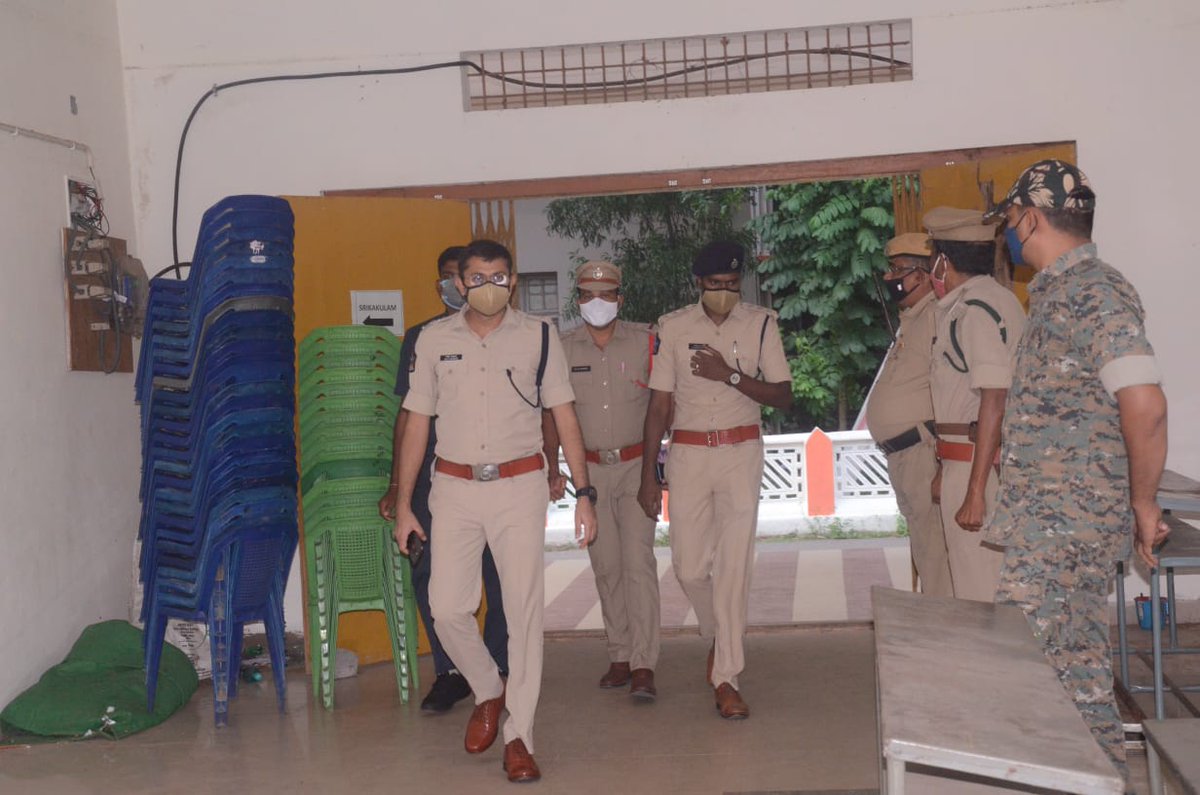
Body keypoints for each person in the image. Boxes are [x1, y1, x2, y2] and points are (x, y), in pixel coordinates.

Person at [986, 160, 1169, 781]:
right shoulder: (1058, 292)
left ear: (1030, 218)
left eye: (1010, 219)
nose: (1008, 233)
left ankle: (1093, 781)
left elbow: (1144, 404)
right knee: (1061, 673)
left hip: (1068, 527)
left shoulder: (1094, 291)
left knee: (1057, 676)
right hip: (1048, 525)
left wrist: (1144, 502)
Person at [392, 239, 597, 784]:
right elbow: (416, 423)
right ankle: (488, 688)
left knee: (524, 613)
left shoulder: (540, 336)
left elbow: (564, 415)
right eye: (477, 279)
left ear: (513, 281)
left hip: (519, 487)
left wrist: (584, 492)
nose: (489, 288)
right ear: (459, 284)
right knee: (446, 608)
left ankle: (519, 736)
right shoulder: (433, 340)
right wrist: (404, 505)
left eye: (499, 278)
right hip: (453, 489)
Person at [636, 240, 791, 720]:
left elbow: (782, 394)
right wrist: (648, 475)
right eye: (714, 283)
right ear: (698, 283)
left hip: (740, 453)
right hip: (688, 455)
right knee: (687, 567)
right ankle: (722, 635)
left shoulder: (761, 323)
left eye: (731, 283)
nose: (724, 291)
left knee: (733, 568)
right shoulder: (673, 327)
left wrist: (730, 375)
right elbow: (659, 405)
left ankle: (727, 677)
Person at [379, 245, 509, 713]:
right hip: (432, 479)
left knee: (500, 575)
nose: (457, 285)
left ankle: (497, 667)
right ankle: (450, 672)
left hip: (494, 478)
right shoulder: (422, 337)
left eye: (465, 275)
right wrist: (398, 485)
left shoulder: (513, 335)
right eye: (448, 277)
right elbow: (407, 415)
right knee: (430, 575)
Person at [544, 261, 661, 699]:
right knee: (606, 566)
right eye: (589, 295)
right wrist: (552, 467)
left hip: (635, 468)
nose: (598, 302)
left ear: (620, 299)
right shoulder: (562, 349)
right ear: (578, 301)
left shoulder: (646, 341)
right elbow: (552, 414)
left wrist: (654, 474)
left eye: (607, 294)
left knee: (638, 564)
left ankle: (644, 663)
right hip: (589, 472)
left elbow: (662, 405)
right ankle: (620, 655)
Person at [923, 206, 1025, 602]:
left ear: (943, 261)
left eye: (933, 257)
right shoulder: (996, 299)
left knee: (979, 593)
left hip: (977, 465)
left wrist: (975, 491)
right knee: (975, 583)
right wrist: (943, 468)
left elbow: (994, 397)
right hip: (965, 460)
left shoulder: (974, 311)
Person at [866, 232, 953, 597]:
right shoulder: (913, 318)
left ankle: (945, 627)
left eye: (898, 269)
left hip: (924, 452)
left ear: (922, 274)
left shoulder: (937, 316)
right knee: (926, 549)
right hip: (905, 455)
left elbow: (951, 394)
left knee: (936, 555)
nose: (889, 277)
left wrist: (945, 465)